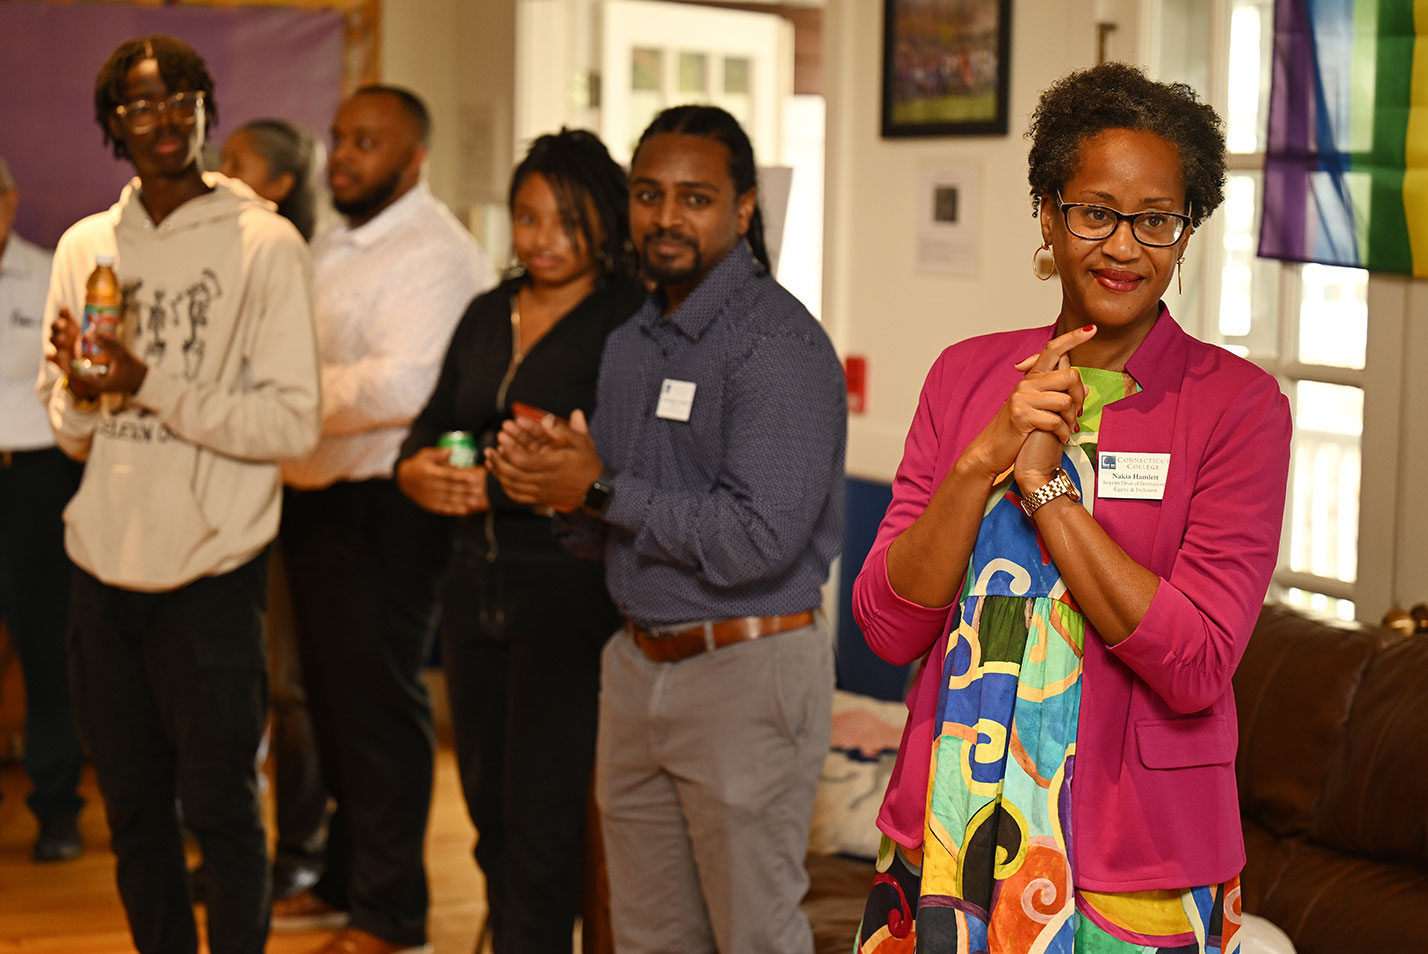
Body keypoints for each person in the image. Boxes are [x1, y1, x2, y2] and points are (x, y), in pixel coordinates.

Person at [850, 62, 1292, 953]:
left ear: (1187, 228)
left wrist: (1048, 490)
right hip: (950, 824)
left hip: (1138, 858)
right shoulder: (967, 376)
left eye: (1155, 221)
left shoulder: (1238, 408)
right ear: (1049, 213)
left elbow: (1200, 662)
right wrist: (980, 462)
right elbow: (887, 627)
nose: (1123, 247)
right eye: (1094, 212)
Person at [485, 104, 846, 954]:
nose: (666, 218)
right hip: (636, 664)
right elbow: (613, 520)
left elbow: (759, 540)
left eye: (695, 197)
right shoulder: (633, 341)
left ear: (744, 209)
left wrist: (603, 486)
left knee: (754, 936)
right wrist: (557, 486)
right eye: (649, 195)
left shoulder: (777, 345)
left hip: (747, 669)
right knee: (648, 936)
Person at [38, 34, 320, 954]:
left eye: (181, 98)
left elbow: (290, 427)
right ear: (111, 126)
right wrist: (82, 394)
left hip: (212, 571)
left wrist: (146, 378)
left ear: (207, 106)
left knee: (223, 814)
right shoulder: (86, 246)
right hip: (100, 567)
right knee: (133, 817)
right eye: (140, 105)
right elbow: (70, 428)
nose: (164, 119)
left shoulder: (265, 245)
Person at [395, 127, 642, 954]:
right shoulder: (484, 311)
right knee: (487, 807)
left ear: (605, 225)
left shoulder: (628, 323)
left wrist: (505, 484)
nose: (541, 241)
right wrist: (415, 471)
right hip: (471, 584)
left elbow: (623, 463)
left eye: (566, 223)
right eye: (527, 219)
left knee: (543, 813)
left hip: (567, 592)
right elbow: (429, 428)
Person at [274, 84, 492, 954]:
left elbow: (404, 385)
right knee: (330, 699)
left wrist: (290, 396)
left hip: (388, 508)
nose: (345, 154)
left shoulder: (434, 252)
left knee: (376, 704)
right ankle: (342, 876)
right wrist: (307, 393)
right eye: (339, 137)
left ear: (414, 160)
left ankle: (393, 912)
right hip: (317, 491)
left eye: (367, 142)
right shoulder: (336, 234)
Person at [218, 116, 330, 901]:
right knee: (235, 680)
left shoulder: (298, 262)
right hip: (226, 494)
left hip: (298, 497)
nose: (219, 175)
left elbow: (301, 398)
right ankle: (231, 847)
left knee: (289, 687)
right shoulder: (217, 258)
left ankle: (299, 845)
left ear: (282, 185)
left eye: (237, 163)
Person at [0, 156, 86, 864]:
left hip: (36, 476)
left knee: (46, 647)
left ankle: (58, 805)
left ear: (10, 201)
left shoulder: (52, 268)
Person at [220, 118, 322, 241]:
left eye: (236, 166)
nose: (221, 174)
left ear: (280, 185)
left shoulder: (278, 247)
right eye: (222, 161)